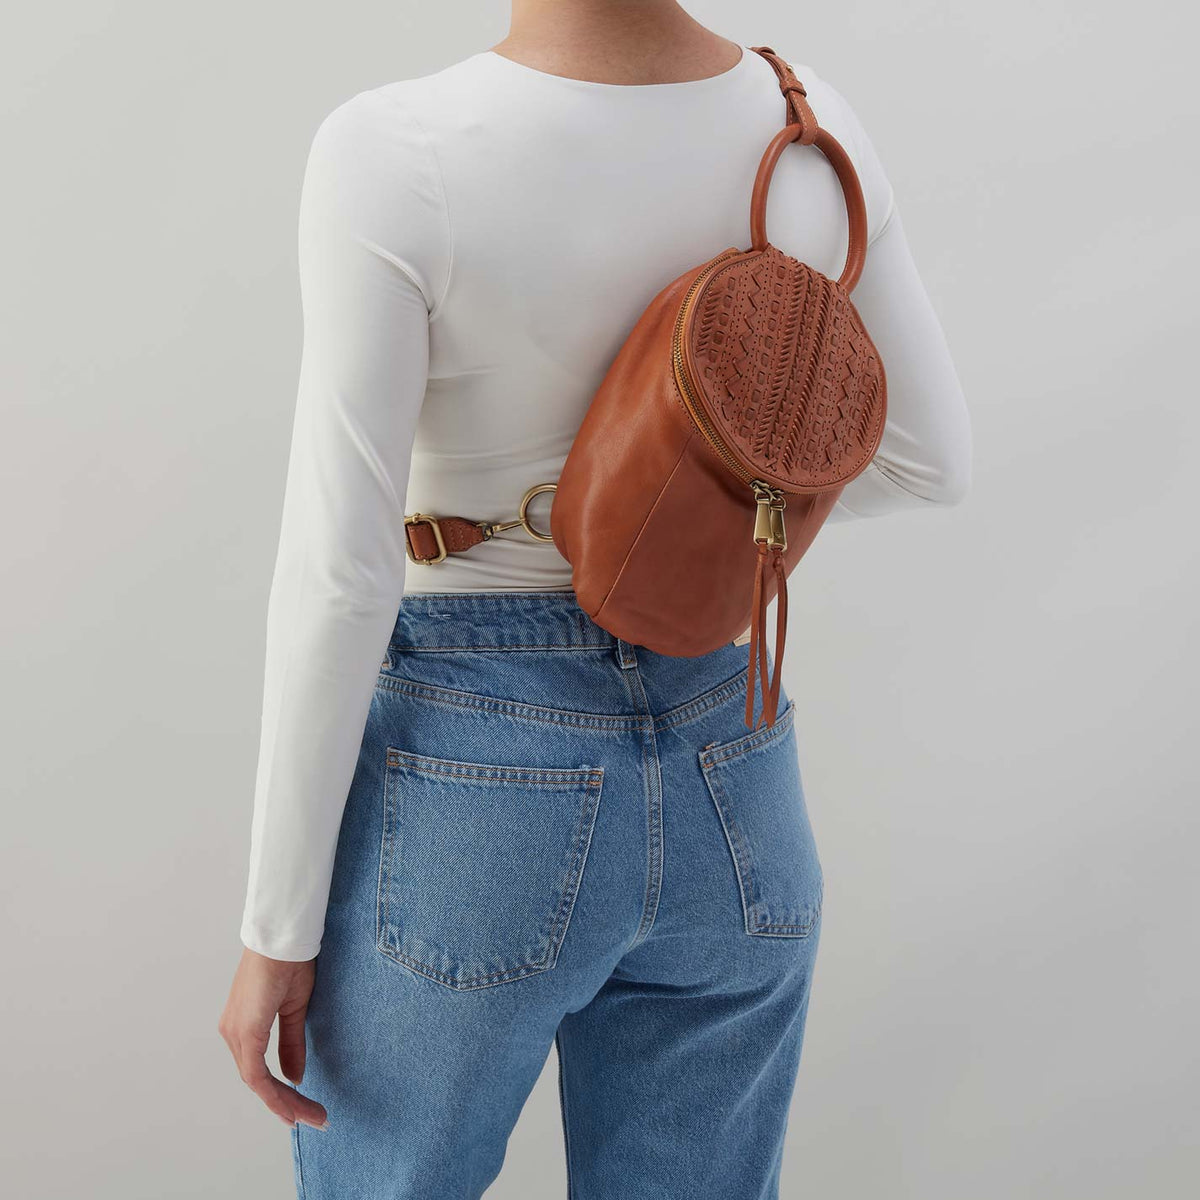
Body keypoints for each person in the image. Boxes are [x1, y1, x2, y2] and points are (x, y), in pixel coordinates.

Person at [218, 3, 972, 1196]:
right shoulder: (805, 121)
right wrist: (700, 533)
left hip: (475, 775)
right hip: (738, 765)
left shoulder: (394, 147)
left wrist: (278, 928)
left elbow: (341, 573)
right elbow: (931, 460)